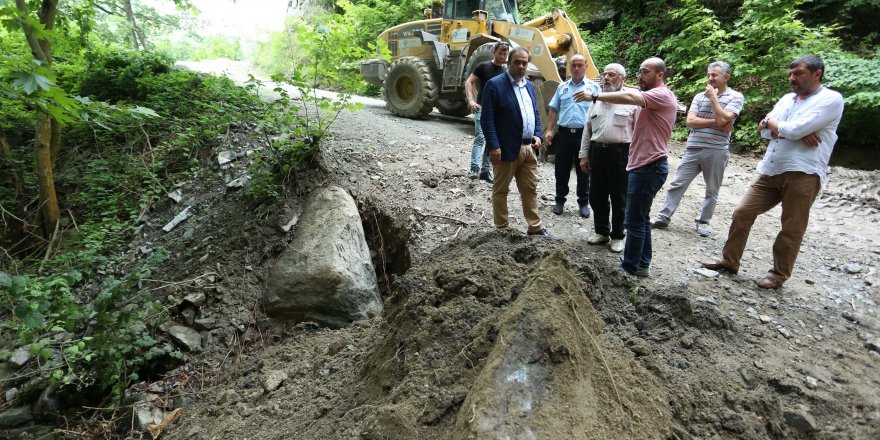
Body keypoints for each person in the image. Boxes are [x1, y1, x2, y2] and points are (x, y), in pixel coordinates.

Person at [703, 55, 844, 289]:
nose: (792, 78)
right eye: (790, 73)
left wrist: (782, 126)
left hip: (804, 172)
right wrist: (774, 125)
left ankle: (778, 275)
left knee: (792, 226)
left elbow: (795, 129)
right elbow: (764, 130)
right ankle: (730, 261)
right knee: (742, 212)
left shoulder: (831, 99)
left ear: (817, 74)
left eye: (798, 73)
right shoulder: (788, 98)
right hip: (771, 169)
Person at [575, 57, 678, 277]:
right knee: (638, 216)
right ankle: (641, 264)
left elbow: (630, 96)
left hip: (646, 164)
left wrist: (595, 94)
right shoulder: (648, 97)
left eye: (645, 72)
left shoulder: (658, 95)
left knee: (633, 219)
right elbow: (588, 128)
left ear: (660, 75)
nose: (640, 76)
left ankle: (629, 269)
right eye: (639, 72)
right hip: (635, 162)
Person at [652, 61, 744, 237]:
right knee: (677, 183)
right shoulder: (698, 96)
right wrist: (719, 122)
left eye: (714, 75)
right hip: (693, 147)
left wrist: (714, 100)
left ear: (726, 77)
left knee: (712, 189)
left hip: (717, 149)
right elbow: (690, 122)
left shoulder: (736, 97)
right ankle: (663, 217)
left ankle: (703, 221)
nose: (710, 78)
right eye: (708, 75)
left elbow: (727, 117)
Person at [480, 46, 550, 237]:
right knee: (501, 190)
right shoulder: (495, 85)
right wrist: (494, 146)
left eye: (524, 63)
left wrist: (538, 135)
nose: (521, 66)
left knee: (530, 189)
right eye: (517, 62)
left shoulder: (528, 85)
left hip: (529, 148)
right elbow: (487, 119)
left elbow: (535, 113)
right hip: (504, 149)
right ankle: (502, 230)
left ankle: (534, 227)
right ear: (508, 63)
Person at [578, 63, 640, 253]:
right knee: (597, 195)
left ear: (623, 80)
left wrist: (635, 159)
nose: (606, 78)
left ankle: (618, 235)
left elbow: (638, 133)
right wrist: (584, 155)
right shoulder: (595, 102)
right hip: (598, 152)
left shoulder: (632, 103)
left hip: (621, 153)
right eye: (604, 75)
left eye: (611, 75)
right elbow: (587, 131)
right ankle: (601, 231)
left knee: (619, 197)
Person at [544, 54, 599, 218]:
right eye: (573, 65)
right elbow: (554, 109)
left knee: (584, 169)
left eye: (580, 65)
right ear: (570, 67)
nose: (576, 68)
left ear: (586, 66)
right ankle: (560, 200)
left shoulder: (594, 89)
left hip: (585, 136)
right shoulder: (562, 87)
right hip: (564, 135)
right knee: (561, 169)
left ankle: (583, 203)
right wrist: (548, 130)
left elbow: (601, 110)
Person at [465, 41, 509, 183]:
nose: (502, 56)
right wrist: (471, 100)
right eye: (500, 53)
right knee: (480, 137)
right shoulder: (484, 66)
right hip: (482, 108)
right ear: (494, 52)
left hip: (498, 112)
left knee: (492, 141)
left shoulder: (506, 71)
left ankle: (485, 171)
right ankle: (474, 169)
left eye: (505, 53)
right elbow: (469, 82)